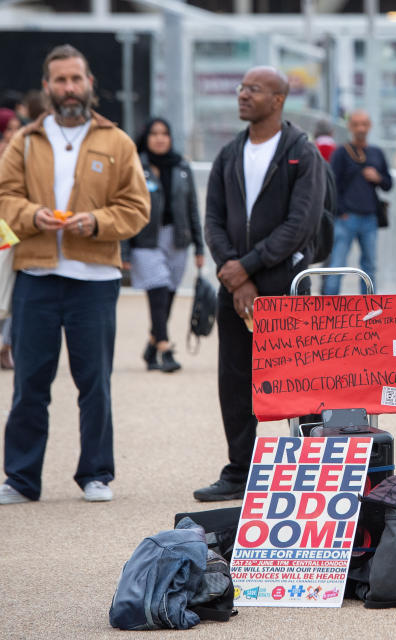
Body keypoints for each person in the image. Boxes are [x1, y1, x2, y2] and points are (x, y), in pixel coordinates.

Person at [0, 44, 150, 505]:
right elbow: (4, 198)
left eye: (76, 79)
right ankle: (22, 479)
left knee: (94, 382)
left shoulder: (117, 141)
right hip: (36, 275)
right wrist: (32, 215)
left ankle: (95, 473)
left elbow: (137, 207)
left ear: (90, 85)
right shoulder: (24, 141)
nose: (69, 88)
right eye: (60, 80)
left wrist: (97, 222)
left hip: (96, 278)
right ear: (46, 87)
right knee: (29, 382)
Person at [194, 66, 326, 501]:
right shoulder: (230, 153)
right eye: (241, 88)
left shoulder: (302, 154)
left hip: (285, 282)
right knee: (233, 378)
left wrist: (247, 266)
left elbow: (300, 224)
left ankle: (311, 470)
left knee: (296, 380)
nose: (243, 95)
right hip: (235, 286)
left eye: (254, 89)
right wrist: (234, 272)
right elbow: (212, 219)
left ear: (279, 99)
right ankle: (240, 470)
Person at [122, 118, 204, 372]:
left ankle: (151, 344)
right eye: (154, 133)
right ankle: (165, 349)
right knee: (157, 290)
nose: (159, 138)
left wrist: (199, 247)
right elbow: (125, 209)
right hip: (145, 241)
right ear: (146, 138)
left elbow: (192, 209)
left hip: (177, 239)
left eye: (164, 134)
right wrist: (124, 250)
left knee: (168, 295)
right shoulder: (135, 166)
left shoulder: (181, 166)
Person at [323, 109, 392, 295]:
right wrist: (341, 211)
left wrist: (378, 178)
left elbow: (388, 183)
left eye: (364, 124)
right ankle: (328, 310)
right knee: (337, 264)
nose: (361, 128)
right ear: (350, 127)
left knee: (369, 266)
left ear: (370, 126)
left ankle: (369, 311)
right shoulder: (341, 153)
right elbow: (331, 185)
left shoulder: (376, 153)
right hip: (346, 218)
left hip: (370, 218)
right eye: (356, 124)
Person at [0, 107, 22, 370]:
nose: (15, 133)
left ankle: (6, 345)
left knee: (12, 291)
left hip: (11, 233)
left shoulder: (21, 154)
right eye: (9, 129)